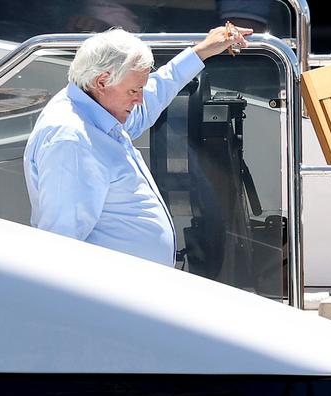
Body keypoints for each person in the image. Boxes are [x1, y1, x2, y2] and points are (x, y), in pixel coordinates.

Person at [23, 26, 251, 266]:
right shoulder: (71, 139)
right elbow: (61, 244)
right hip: (110, 294)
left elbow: (152, 96)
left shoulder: (93, 103)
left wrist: (200, 53)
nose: (139, 98)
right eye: (134, 90)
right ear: (102, 81)